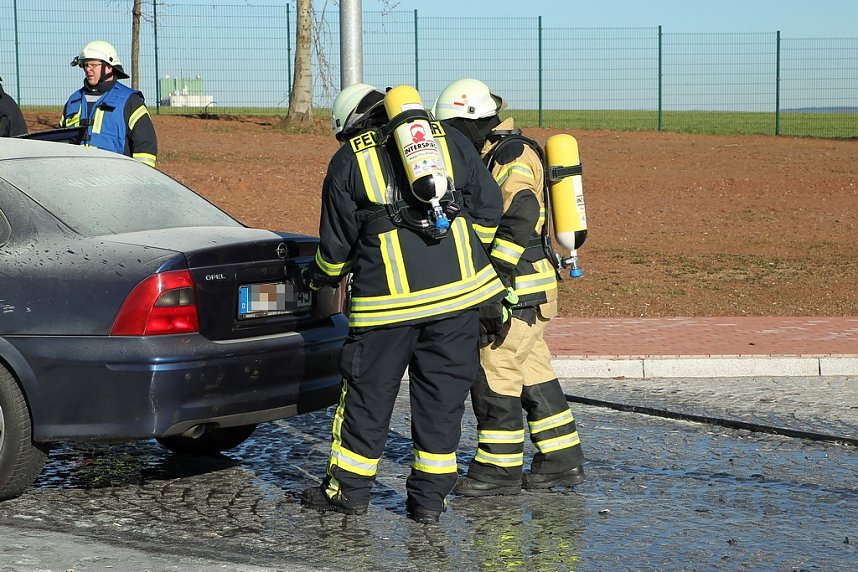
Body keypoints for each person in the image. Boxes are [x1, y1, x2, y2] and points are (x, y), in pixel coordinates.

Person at [299, 83, 506, 524]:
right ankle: (429, 504)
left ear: (352, 124)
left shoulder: (349, 159)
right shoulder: (445, 140)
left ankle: (348, 494)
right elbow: (489, 207)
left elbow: (335, 248)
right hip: (459, 304)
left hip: (385, 310)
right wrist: (470, 256)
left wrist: (320, 281)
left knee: (366, 399)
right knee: (442, 403)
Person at [432, 78, 586, 495]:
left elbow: (522, 209)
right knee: (533, 372)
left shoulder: (510, 154)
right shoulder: (496, 151)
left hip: (517, 289)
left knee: (494, 371)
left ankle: (497, 470)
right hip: (534, 290)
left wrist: (495, 277)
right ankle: (561, 458)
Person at [60, 40, 157, 166]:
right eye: (85, 65)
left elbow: (145, 147)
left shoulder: (130, 101)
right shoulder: (73, 101)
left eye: (93, 65)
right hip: (78, 178)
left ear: (109, 67)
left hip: (117, 180)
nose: (88, 69)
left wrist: (140, 178)